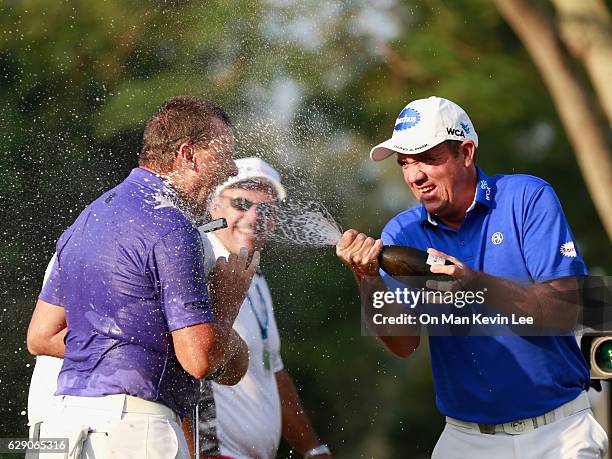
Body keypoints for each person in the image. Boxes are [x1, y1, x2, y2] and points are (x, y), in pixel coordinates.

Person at [336, 96, 609, 458]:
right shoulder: (401, 233)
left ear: (466, 153)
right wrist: (367, 279)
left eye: (428, 159)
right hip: (466, 440)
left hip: (558, 431)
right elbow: (404, 345)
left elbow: (570, 309)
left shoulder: (527, 198)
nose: (415, 176)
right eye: (405, 163)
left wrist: (476, 285)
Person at [26, 96, 256, 458]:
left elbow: (43, 333)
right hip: (135, 431)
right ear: (187, 155)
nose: (230, 171)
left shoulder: (89, 218)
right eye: (224, 155)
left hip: (65, 427)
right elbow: (199, 360)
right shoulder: (174, 227)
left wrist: (127, 344)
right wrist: (227, 300)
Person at [187, 157, 331, 459]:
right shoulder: (198, 261)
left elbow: (272, 371)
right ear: (215, 207)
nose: (253, 217)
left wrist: (313, 449)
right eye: (241, 203)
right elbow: (175, 366)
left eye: (265, 209)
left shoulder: (254, 272)